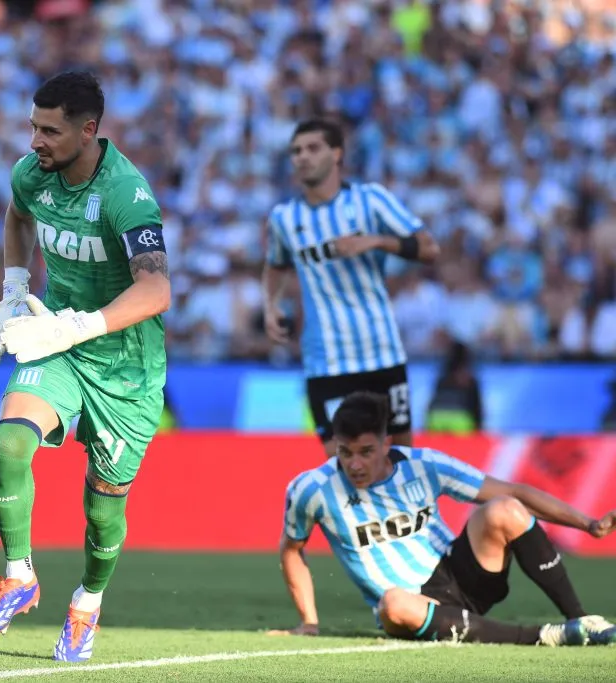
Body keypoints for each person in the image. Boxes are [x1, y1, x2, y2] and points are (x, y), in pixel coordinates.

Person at [0, 70, 170, 662]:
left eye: (50, 131)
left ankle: (87, 602)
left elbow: (157, 288)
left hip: (126, 370)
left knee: (103, 507)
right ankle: (18, 573)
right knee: (10, 443)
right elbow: (17, 216)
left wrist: (79, 324)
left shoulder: (125, 194)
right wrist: (12, 292)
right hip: (56, 346)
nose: (36, 142)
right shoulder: (32, 174)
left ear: (89, 131)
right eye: (33, 127)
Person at [270, 391, 616, 646]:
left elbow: (517, 491)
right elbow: (291, 549)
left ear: (385, 441)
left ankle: (581, 618)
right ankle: (545, 636)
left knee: (504, 508)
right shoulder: (311, 489)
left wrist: (588, 524)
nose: (355, 464)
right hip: (410, 607)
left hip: (461, 574)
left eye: (366, 452)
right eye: (345, 453)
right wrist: (310, 622)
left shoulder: (423, 465)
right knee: (392, 603)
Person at [263, 119, 440, 458]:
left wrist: (375, 241)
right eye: (296, 151)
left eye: (313, 148)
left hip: (381, 351)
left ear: (337, 154)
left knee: (400, 461)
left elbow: (429, 248)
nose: (302, 157)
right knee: (342, 466)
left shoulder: (369, 200)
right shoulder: (283, 218)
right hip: (326, 360)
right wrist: (271, 305)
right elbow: (275, 264)